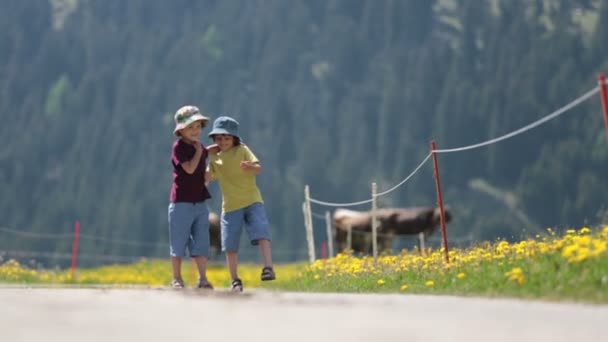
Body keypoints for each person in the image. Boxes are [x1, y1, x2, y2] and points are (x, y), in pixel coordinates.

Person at [206, 116, 275, 292]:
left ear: (234, 138)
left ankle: (268, 267)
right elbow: (206, 179)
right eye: (219, 138)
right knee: (229, 244)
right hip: (230, 206)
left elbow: (259, 168)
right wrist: (204, 153)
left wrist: (250, 167)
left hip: (252, 199)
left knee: (261, 231)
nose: (223, 141)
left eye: (227, 138)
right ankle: (235, 279)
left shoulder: (243, 150)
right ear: (214, 140)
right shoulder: (215, 158)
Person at [168, 105, 216, 289]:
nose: (196, 131)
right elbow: (188, 169)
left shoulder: (199, 146)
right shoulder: (179, 148)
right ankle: (177, 278)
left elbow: (208, 152)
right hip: (181, 202)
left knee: (201, 241)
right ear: (181, 130)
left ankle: (202, 279)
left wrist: (224, 146)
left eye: (198, 127)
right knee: (179, 242)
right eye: (191, 127)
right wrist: (199, 152)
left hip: (199, 201)